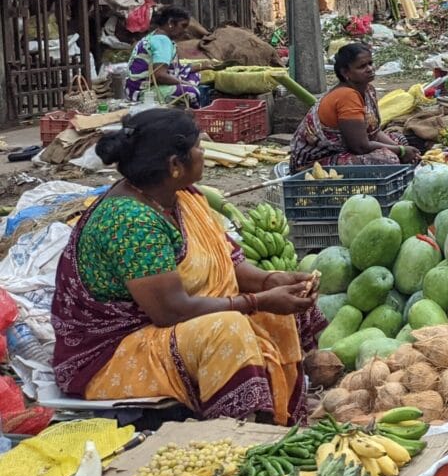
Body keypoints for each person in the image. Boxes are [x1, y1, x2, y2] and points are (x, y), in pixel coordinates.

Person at [51, 108, 325, 425]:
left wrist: (269, 281)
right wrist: (257, 301)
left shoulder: (181, 197)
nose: (204, 151)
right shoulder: (129, 222)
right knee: (227, 329)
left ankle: (280, 418)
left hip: (167, 325)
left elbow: (224, 263)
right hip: (114, 353)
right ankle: (236, 431)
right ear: (175, 165)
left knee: (274, 312)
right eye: (197, 146)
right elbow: (170, 311)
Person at [291, 44, 419, 172]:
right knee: (387, 159)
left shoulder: (368, 90)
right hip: (314, 163)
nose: (370, 69)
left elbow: (374, 133)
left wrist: (401, 149)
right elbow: (360, 147)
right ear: (345, 72)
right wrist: (400, 152)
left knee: (398, 139)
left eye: (370, 63)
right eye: (362, 66)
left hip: (347, 151)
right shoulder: (346, 96)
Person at [125, 6, 205, 107]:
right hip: (143, 92)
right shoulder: (163, 41)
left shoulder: (154, 36)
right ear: (171, 23)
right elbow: (159, 76)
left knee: (195, 75)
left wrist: (204, 65)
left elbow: (175, 68)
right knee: (192, 92)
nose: (185, 31)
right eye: (183, 26)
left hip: (132, 88)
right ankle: (191, 116)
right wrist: (186, 84)